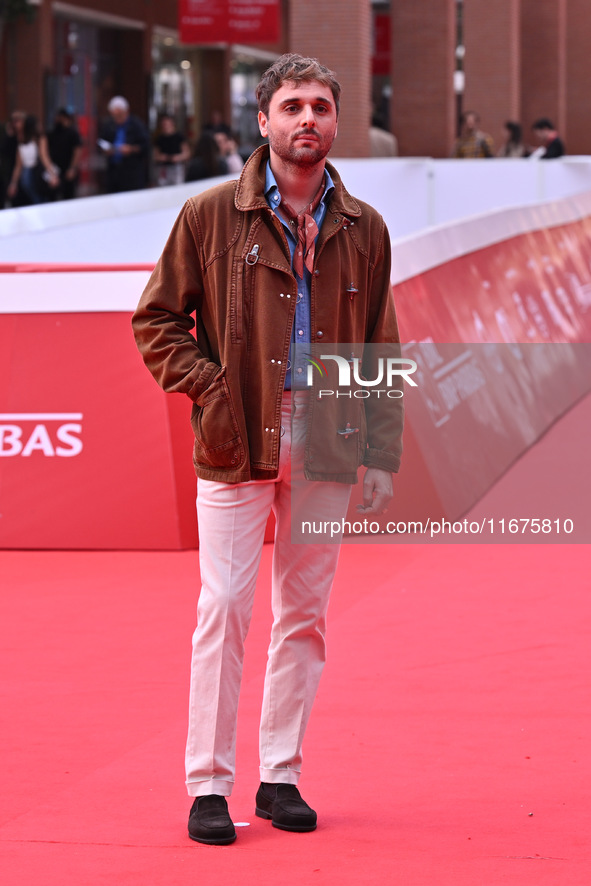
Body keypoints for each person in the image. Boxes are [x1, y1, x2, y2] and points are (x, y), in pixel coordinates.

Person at [132, 53, 402, 846]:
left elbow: (379, 339)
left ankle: (280, 774)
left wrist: (380, 448)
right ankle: (208, 784)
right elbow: (154, 322)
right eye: (291, 106)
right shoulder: (209, 215)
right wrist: (211, 388)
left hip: (328, 441)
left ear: (335, 120)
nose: (306, 119)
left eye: (319, 105)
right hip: (235, 437)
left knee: (305, 616)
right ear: (263, 121)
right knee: (223, 609)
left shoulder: (365, 228)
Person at [98, 96, 150, 193]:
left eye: (119, 115)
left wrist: (131, 149)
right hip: (114, 171)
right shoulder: (109, 125)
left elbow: (145, 146)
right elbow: (102, 141)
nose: (117, 118)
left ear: (126, 111)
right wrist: (106, 150)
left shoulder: (136, 125)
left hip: (131, 173)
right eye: (114, 116)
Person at [6, 114, 59, 206]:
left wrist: (13, 183)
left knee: (35, 199)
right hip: (37, 173)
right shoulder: (40, 138)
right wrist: (52, 174)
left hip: (25, 174)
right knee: (43, 200)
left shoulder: (22, 141)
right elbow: (44, 157)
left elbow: (18, 166)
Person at [47, 108, 83, 200]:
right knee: (53, 195)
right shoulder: (53, 132)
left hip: (67, 168)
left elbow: (77, 151)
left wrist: (72, 168)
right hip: (55, 169)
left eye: (59, 117)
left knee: (68, 196)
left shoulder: (73, 133)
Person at [153, 114, 190, 186]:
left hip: (177, 167)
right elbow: (155, 155)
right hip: (164, 169)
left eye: (167, 124)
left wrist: (178, 157)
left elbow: (187, 153)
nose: (165, 126)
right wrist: (162, 157)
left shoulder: (179, 137)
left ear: (172, 124)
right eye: (163, 124)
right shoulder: (159, 139)